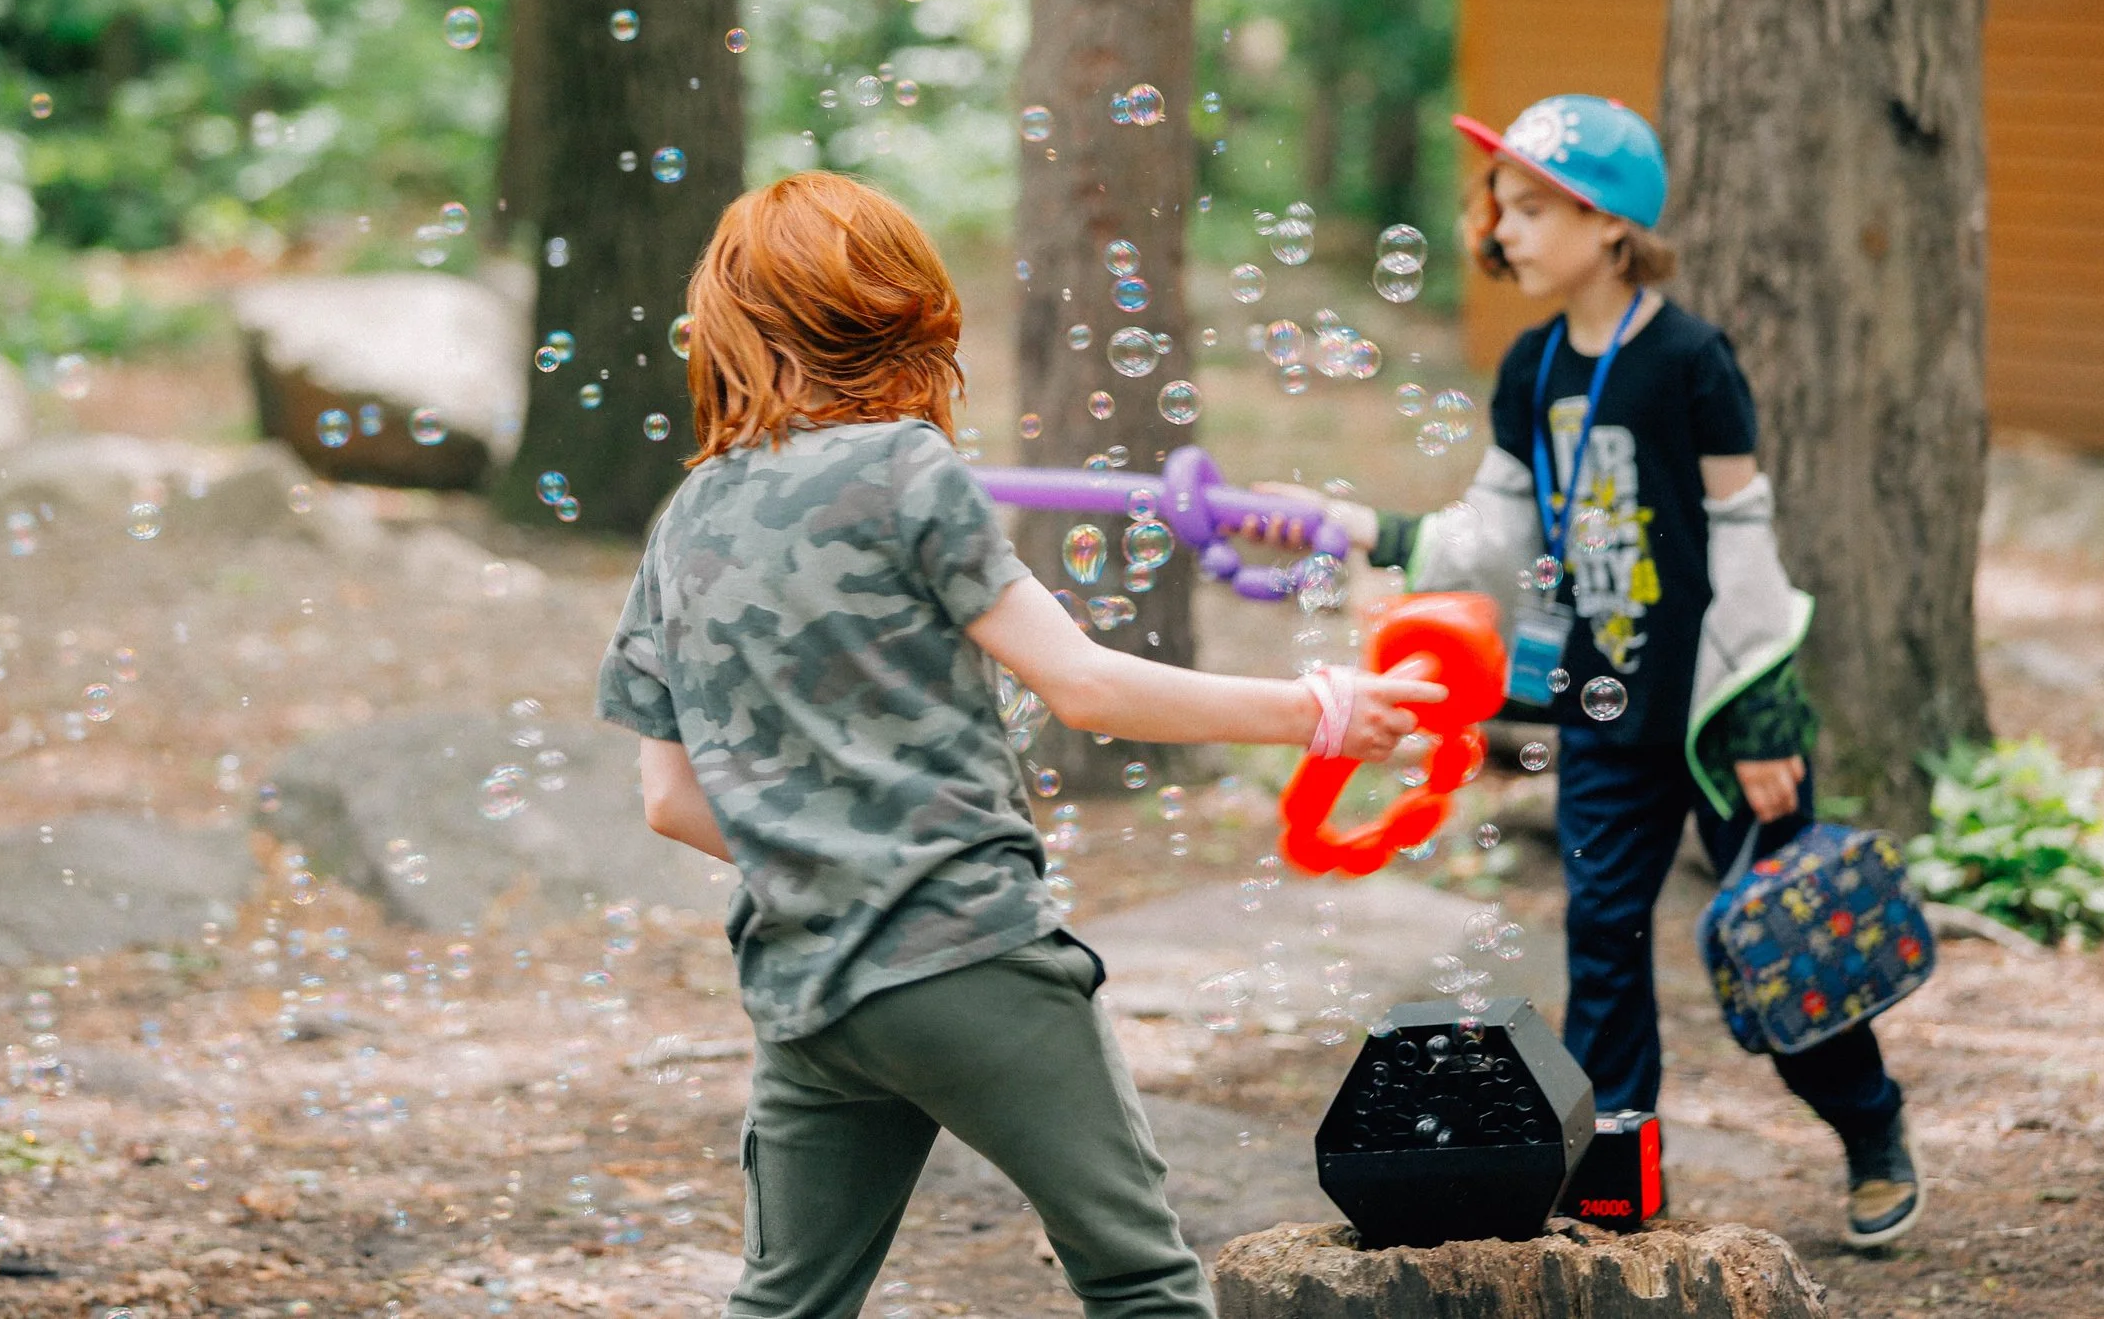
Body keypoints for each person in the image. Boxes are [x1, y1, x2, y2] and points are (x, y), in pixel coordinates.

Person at [595, 170, 1444, 1319]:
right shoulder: (907, 468)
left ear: (738, 324)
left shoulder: (683, 517)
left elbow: (665, 798)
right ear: (902, 315)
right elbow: (1083, 684)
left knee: (784, 1304)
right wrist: (1319, 709)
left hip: (806, 989)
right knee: (1141, 1283)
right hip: (965, 955)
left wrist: (821, 851)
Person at [1263, 96, 1921, 1249]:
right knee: (1602, 935)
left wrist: (1765, 712)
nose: (1503, 229)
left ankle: (1869, 1126)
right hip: (1602, 707)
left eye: (1530, 207)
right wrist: (1348, 524)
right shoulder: (1530, 369)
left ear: (1610, 224)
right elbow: (1492, 536)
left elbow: (1747, 539)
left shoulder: (1690, 359)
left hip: (1719, 713)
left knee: (1781, 932)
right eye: (1499, 208)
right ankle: (1621, 1176)